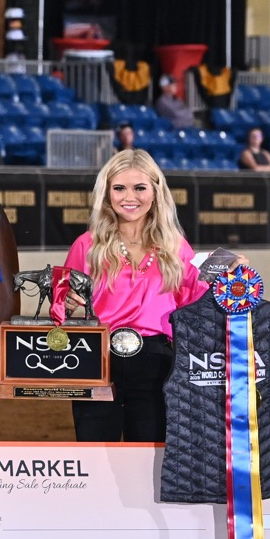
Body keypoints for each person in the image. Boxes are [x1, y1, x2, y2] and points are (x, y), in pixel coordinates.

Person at [62, 150, 223, 442]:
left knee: (151, 456)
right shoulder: (86, 246)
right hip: (96, 361)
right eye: (119, 188)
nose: (129, 197)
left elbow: (195, 296)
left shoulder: (175, 247)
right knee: (94, 455)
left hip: (158, 364)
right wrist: (67, 305)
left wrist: (227, 268)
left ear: (156, 192)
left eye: (139, 188)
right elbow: (61, 305)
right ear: (106, 194)